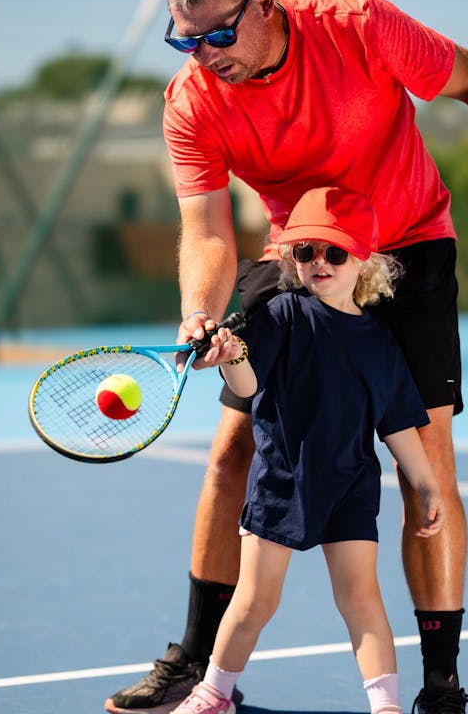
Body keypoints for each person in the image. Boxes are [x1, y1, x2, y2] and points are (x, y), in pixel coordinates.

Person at [104, 0, 468, 713]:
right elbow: (209, 232)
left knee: (426, 461)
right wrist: (199, 312)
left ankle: (441, 687)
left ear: (264, 5)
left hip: (408, 241)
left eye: (220, 34)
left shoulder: (359, 24)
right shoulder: (192, 101)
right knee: (232, 449)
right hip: (300, 252)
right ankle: (197, 661)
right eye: (186, 41)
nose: (206, 54)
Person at [169, 186, 446, 714]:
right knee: (255, 600)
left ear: (364, 260)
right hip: (282, 483)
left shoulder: (382, 341)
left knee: (362, 600)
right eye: (305, 250)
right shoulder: (281, 315)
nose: (319, 261)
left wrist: (426, 483)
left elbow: (396, 422)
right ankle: (213, 694)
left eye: (335, 252)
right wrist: (231, 357)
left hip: (351, 488)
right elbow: (249, 384)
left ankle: (386, 706)